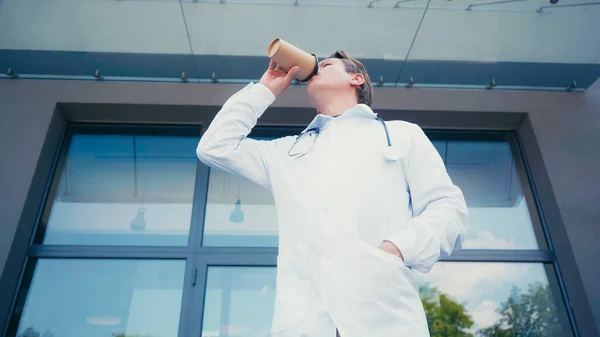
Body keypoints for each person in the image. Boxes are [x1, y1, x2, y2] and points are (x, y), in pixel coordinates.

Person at [197, 50, 468, 337]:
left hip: (383, 318)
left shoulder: (401, 135)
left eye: (326, 65)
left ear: (356, 78)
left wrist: (396, 249)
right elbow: (215, 147)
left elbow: (448, 207)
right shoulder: (287, 151)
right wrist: (264, 91)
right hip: (305, 325)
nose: (316, 70)